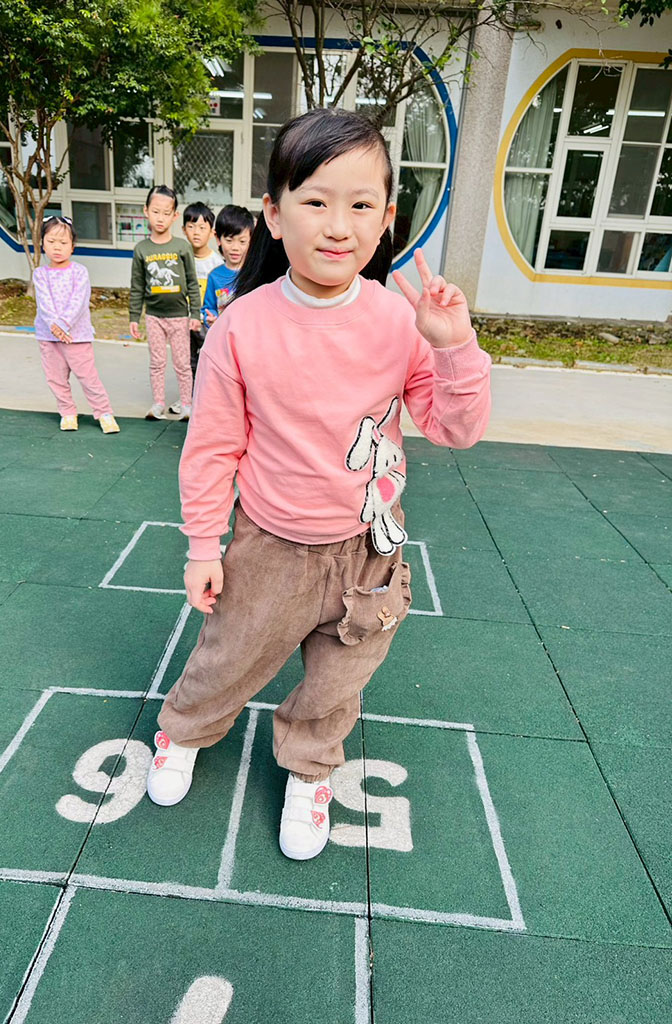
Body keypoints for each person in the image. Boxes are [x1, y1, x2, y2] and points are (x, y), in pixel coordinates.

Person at [146, 108, 492, 862]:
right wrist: (203, 544)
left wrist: (455, 346)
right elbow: (212, 447)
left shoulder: (401, 323)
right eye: (315, 201)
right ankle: (185, 731)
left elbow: (455, 429)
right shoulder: (242, 326)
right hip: (271, 545)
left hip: (369, 550)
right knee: (228, 659)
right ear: (273, 214)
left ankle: (309, 769)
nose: (339, 226)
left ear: (386, 219)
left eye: (361, 204)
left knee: (339, 679)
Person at [33, 216, 119, 433]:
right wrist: (54, 326)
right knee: (56, 378)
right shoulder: (40, 274)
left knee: (88, 377)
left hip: (77, 336)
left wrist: (63, 324)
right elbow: (44, 302)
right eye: (51, 241)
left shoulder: (79, 271)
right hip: (48, 336)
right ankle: (67, 412)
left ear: (72, 246)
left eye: (63, 242)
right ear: (42, 243)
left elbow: (79, 301)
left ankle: (104, 412)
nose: (57, 247)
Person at [129, 185, 202, 422]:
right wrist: (134, 317)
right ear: (146, 211)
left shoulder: (182, 247)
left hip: (180, 316)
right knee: (157, 362)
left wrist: (195, 313)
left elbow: (192, 282)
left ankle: (187, 405)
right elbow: (137, 285)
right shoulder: (141, 249)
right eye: (156, 212)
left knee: (182, 363)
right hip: (154, 317)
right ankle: (158, 403)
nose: (160, 218)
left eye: (166, 213)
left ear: (174, 215)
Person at [163, 202, 224, 418]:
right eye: (191, 226)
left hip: (206, 323)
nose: (196, 232)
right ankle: (186, 399)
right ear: (183, 230)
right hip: (183, 320)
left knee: (209, 360)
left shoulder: (216, 263)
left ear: (212, 232)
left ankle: (208, 399)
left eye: (202, 227)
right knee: (185, 362)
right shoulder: (178, 258)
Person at [201, 205, 254, 326]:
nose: (235, 248)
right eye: (229, 240)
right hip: (222, 334)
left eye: (242, 241)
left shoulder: (254, 274)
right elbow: (208, 308)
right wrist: (210, 319)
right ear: (218, 239)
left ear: (251, 241)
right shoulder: (214, 276)